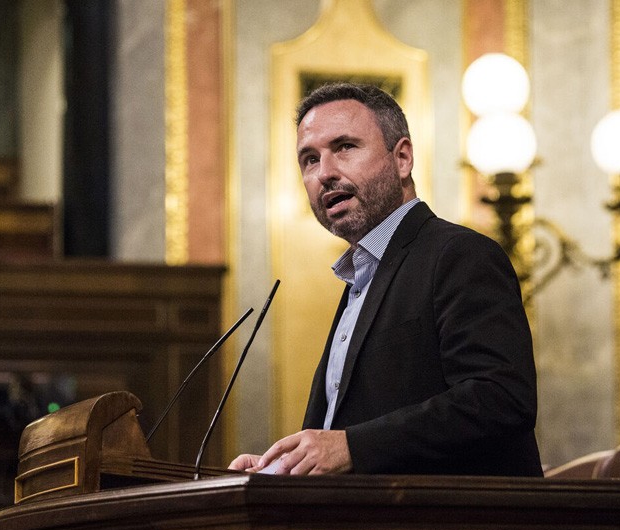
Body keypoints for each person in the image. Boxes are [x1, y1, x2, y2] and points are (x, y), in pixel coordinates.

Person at [229, 83, 541, 476]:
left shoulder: (459, 255)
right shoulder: (363, 277)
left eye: (344, 147)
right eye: (309, 159)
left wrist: (351, 447)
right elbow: (351, 432)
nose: (324, 173)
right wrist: (284, 469)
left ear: (403, 158)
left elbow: (502, 399)